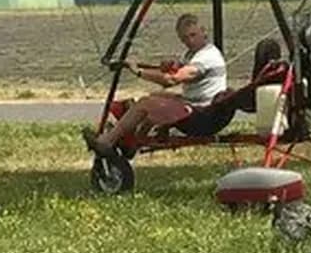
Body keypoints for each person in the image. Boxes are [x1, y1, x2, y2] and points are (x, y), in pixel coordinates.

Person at [82, 13, 227, 157]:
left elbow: (171, 80)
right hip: (201, 106)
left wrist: (138, 71)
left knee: (146, 104)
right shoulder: (192, 54)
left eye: (193, 35)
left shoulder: (207, 57)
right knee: (156, 96)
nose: (189, 41)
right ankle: (136, 140)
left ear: (203, 31)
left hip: (203, 116)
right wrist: (168, 65)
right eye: (184, 38)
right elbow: (176, 69)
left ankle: (106, 142)